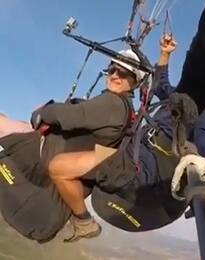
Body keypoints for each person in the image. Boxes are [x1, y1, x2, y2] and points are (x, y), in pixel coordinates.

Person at [47, 34, 205, 241]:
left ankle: (83, 223)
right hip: (134, 154)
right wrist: (165, 54)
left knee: (59, 166)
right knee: (74, 143)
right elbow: (161, 83)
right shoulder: (182, 94)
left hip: (143, 172)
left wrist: (201, 179)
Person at [0, 48, 144, 242]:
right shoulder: (121, 109)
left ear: (135, 82)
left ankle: (83, 221)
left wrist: (44, 112)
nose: (115, 75)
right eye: (112, 70)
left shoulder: (114, 104)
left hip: (39, 151)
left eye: (124, 73)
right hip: (43, 145)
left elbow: (65, 115)